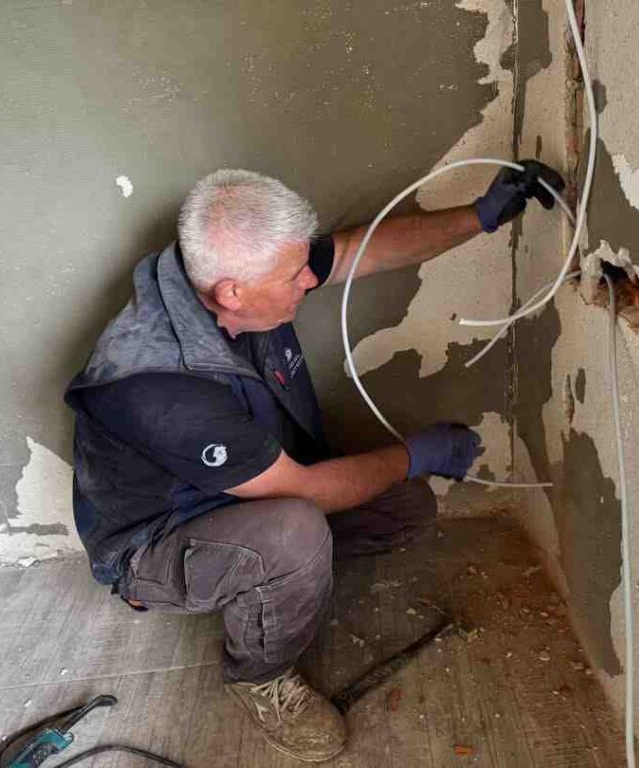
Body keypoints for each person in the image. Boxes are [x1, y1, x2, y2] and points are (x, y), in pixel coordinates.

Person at [64, 160, 564, 762]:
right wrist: (415, 453)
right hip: (156, 539)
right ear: (232, 292)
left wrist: (479, 217)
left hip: (241, 491)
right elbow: (304, 491)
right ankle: (259, 674)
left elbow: (356, 252)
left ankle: (272, 580)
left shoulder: (237, 271)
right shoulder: (158, 384)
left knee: (403, 505)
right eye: (295, 276)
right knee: (295, 530)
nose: (309, 280)